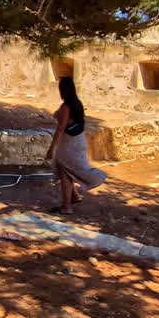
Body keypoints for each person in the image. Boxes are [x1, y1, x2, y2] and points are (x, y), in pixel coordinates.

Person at [44, 76, 108, 214]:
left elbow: (60, 128)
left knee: (65, 172)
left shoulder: (66, 107)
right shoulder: (76, 103)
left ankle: (66, 207)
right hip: (78, 141)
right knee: (66, 170)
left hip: (69, 144)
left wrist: (51, 148)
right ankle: (74, 197)